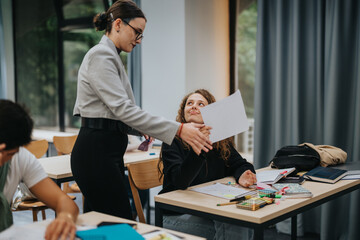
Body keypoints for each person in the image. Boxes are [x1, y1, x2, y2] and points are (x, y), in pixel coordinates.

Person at [71, 0, 212, 220]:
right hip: (96, 151)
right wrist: (179, 129)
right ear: (118, 24)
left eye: (141, 35)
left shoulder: (111, 56)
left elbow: (112, 112)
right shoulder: (101, 55)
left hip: (104, 149)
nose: (138, 40)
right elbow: (122, 109)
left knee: (101, 225)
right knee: (119, 222)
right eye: (137, 32)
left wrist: (137, 128)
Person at [158, 89, 257, 240]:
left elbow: (239, 163)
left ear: (211, 113)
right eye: (189, 103)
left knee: (241, 221)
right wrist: (199, 149)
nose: (193, 106)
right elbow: (180, 182)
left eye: (201, 104)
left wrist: (244, 173)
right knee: (232, 226)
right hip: (178, 213)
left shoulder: (219, 141)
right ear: (183, 112)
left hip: (208, 208)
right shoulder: (172, 141)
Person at [0, 99, 79, 239]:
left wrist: (65, 217)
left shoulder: (19, 157)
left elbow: (63, 201)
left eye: (9, 154)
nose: (4, 160)